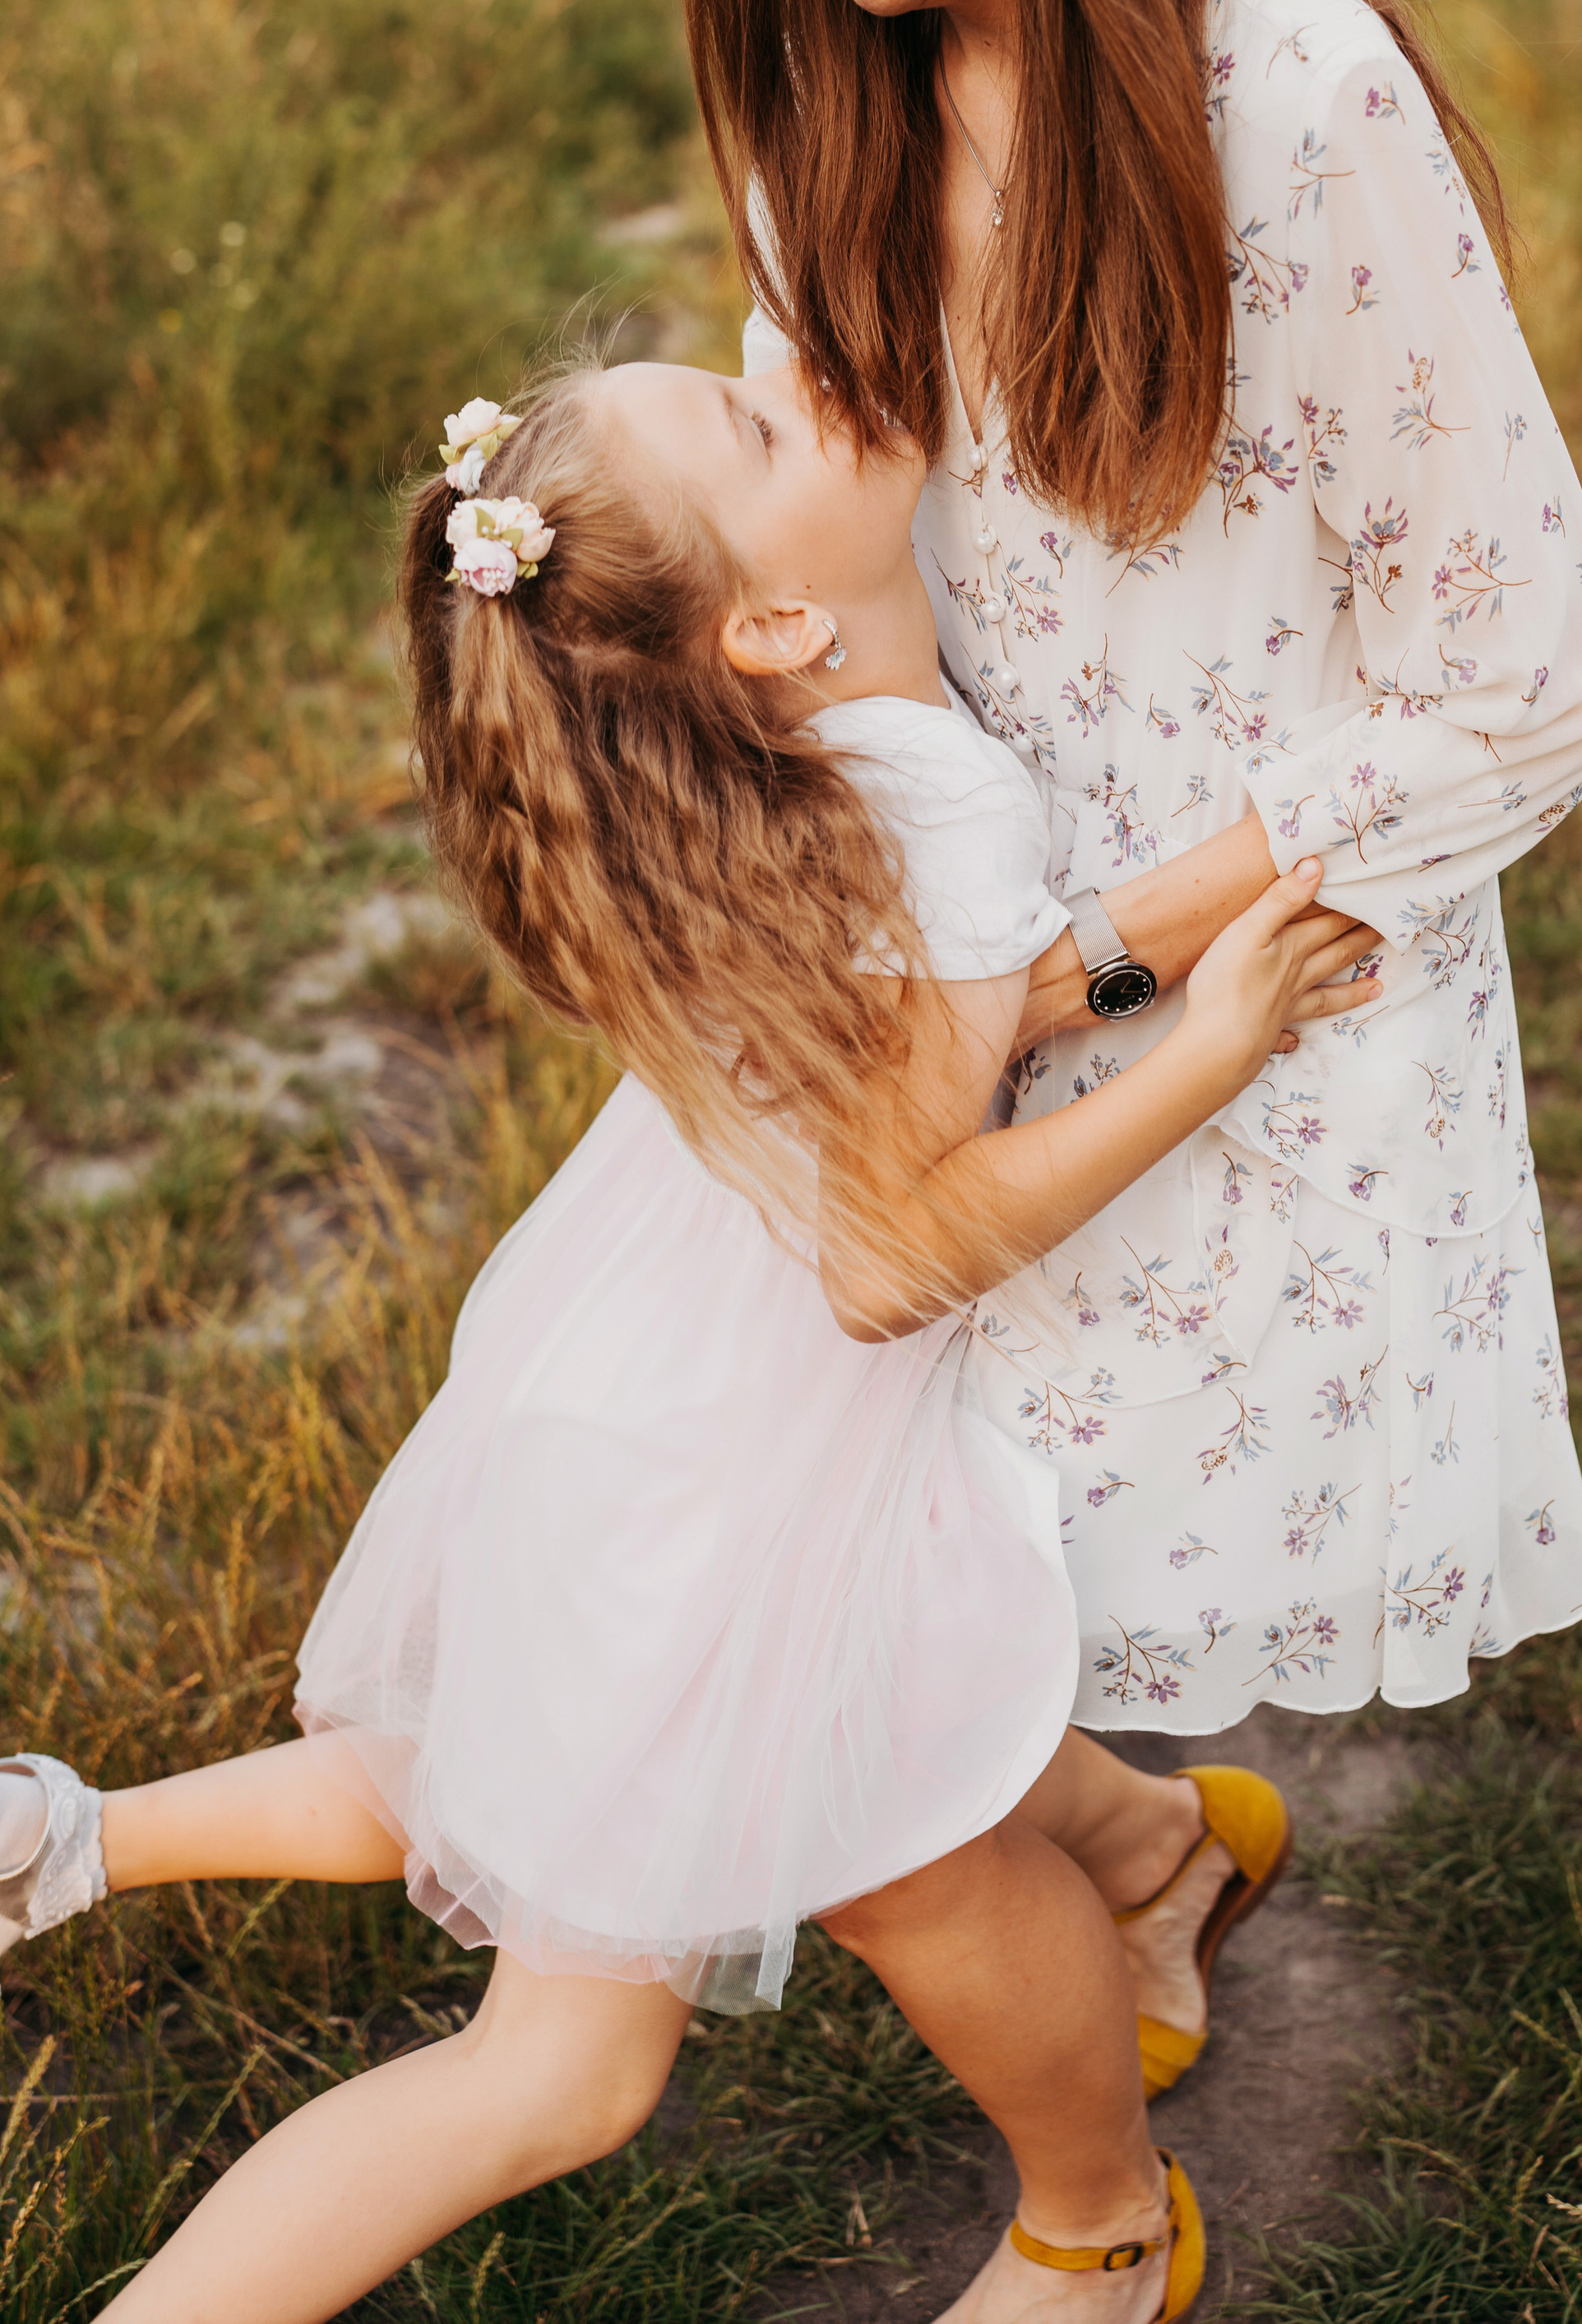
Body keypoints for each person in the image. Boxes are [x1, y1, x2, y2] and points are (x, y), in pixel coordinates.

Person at [616, 0, 1582, 2101]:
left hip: (1223, 1005)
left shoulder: (1285, 93)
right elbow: (817, 558)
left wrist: (1087, 963)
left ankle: (1100, 2175)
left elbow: (1533, 675)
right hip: (931, 982)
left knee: (917, 1620)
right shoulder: (820, 86)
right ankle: (1149, 1872)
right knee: (824, 1569)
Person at [2, 351, 1385, 2324]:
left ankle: (65, 1841)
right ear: (776, 626)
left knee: (535, 1766)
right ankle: (1106, 2228)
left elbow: (969, 1010)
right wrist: (1213, 1049)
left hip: (617, 1387)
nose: (795, 377)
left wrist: (1299, 828)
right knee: (768, 1924)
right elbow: (891, 1257)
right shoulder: (924, 794)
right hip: (762, 1454)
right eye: (752, 425)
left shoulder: (738, 788)